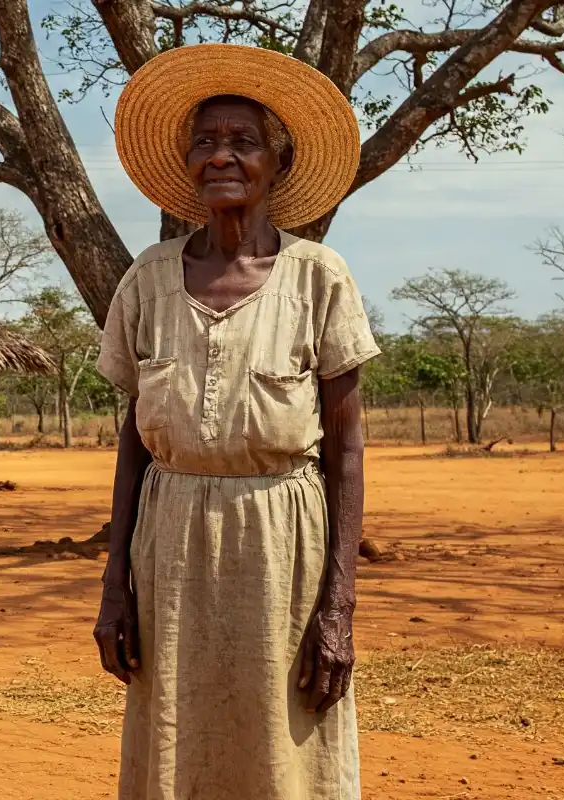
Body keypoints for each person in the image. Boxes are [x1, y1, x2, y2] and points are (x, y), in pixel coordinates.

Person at [92, 43, 380, 799]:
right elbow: (134, 446)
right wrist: (114, 587)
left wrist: (338, 609)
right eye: (206, 141)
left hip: (285, 543)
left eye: (243, 142)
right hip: (171, 543)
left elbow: (346, 451)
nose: (222, 156)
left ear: (277, 164)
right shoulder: (148, 279)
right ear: (187, 162)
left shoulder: (320, 276)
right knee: (176, 736)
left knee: (287, 740)